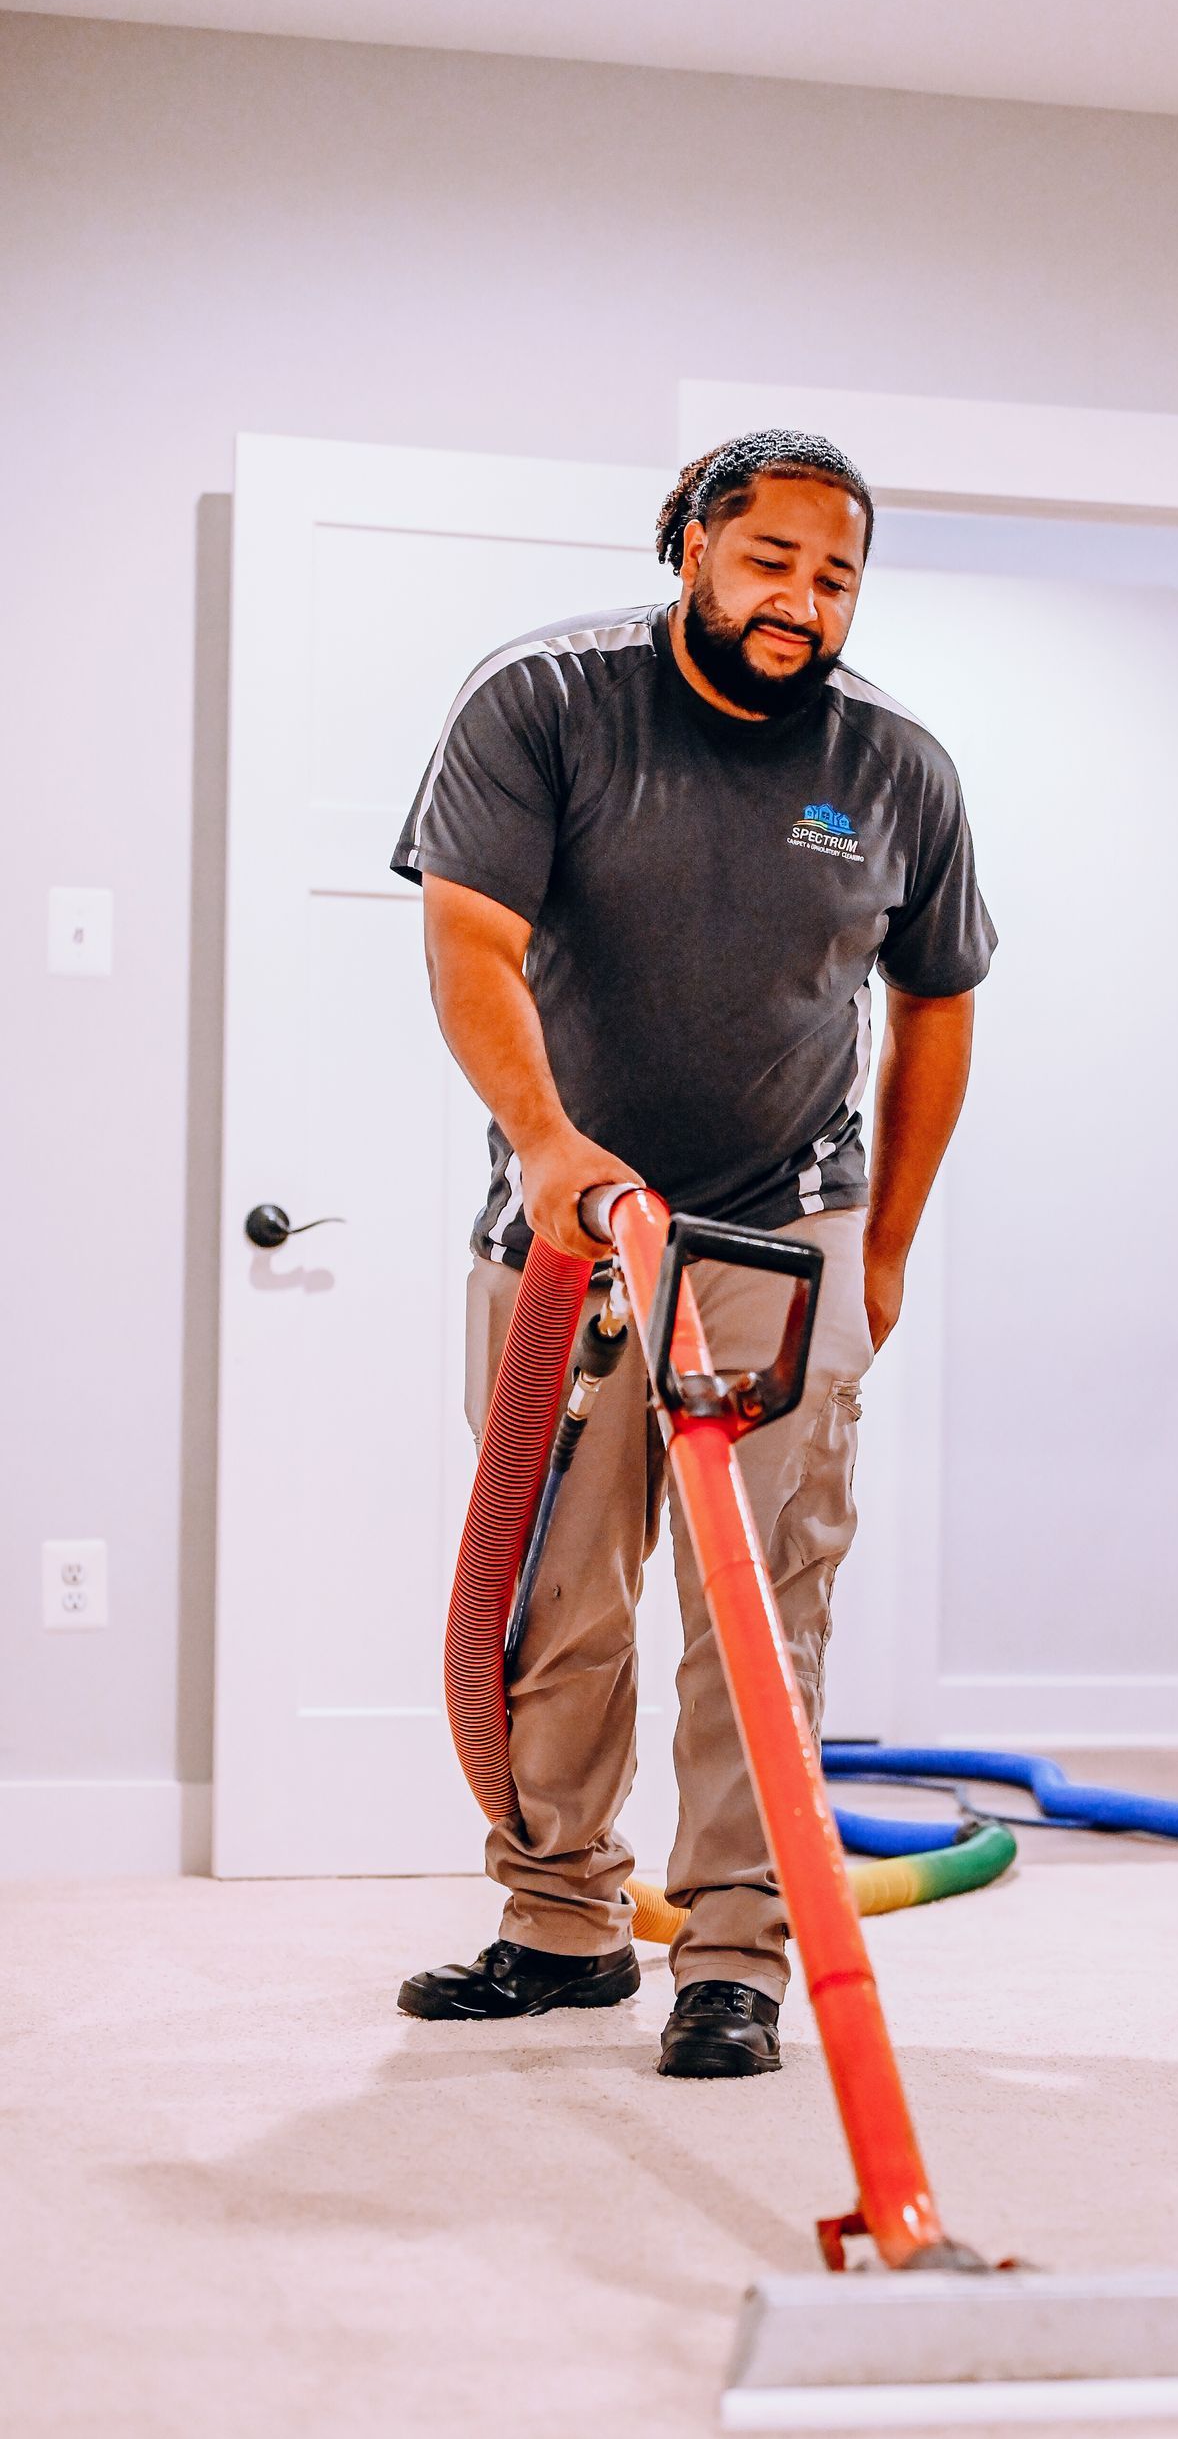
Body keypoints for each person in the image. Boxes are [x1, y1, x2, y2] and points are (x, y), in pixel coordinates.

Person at [389, 430, 995, 2076]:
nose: (805, 599)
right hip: (574, 1231)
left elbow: (938, 1003)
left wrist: (884, 1242)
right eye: (773, 560)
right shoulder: (549, 701)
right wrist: (546, 1140)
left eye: (837, 574)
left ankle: (735, 1950)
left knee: (762, 1605)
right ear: (691, 549)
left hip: (779, 1229)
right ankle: (562, 1920)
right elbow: (470, 935)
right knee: (554, 1591)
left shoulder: (895, 768)